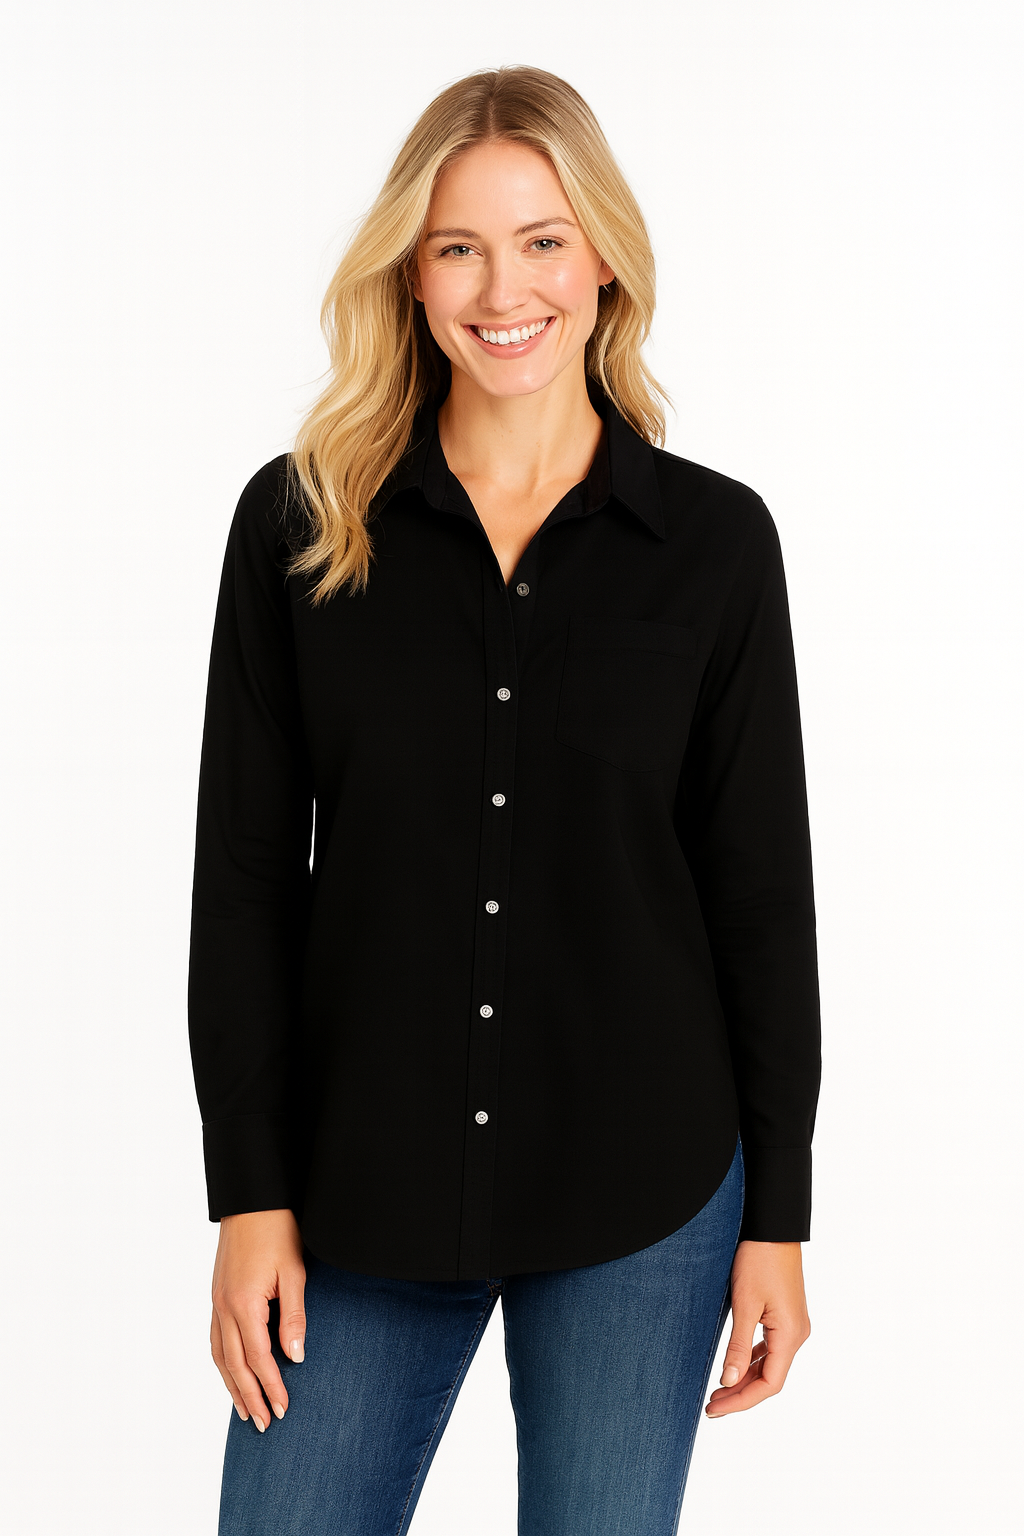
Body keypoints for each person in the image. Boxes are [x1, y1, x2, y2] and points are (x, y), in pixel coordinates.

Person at [188, 64, 821, 1535]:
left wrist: (780, 1218)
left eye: (542, 240)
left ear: (602, 260)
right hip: (360, 1181)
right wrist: (248, 1194)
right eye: (459, 247)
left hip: (643, 1184)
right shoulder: (299, 526)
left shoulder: (715, 545)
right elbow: (244, 878)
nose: (503, 289)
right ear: (410, 276)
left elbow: (758, 897)